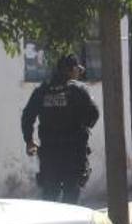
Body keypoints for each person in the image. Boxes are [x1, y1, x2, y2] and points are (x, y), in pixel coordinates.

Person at [21, 53, 100, 204]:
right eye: (77, 69)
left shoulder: (42, 90)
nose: (79, 73)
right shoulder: (78, 90)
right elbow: (94, 115)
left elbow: (27, 116)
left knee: (50, 199)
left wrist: (29, 141)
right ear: (71, 70)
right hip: (74, 154)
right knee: (71, 198)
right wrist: (81, 123)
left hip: (50, 154)